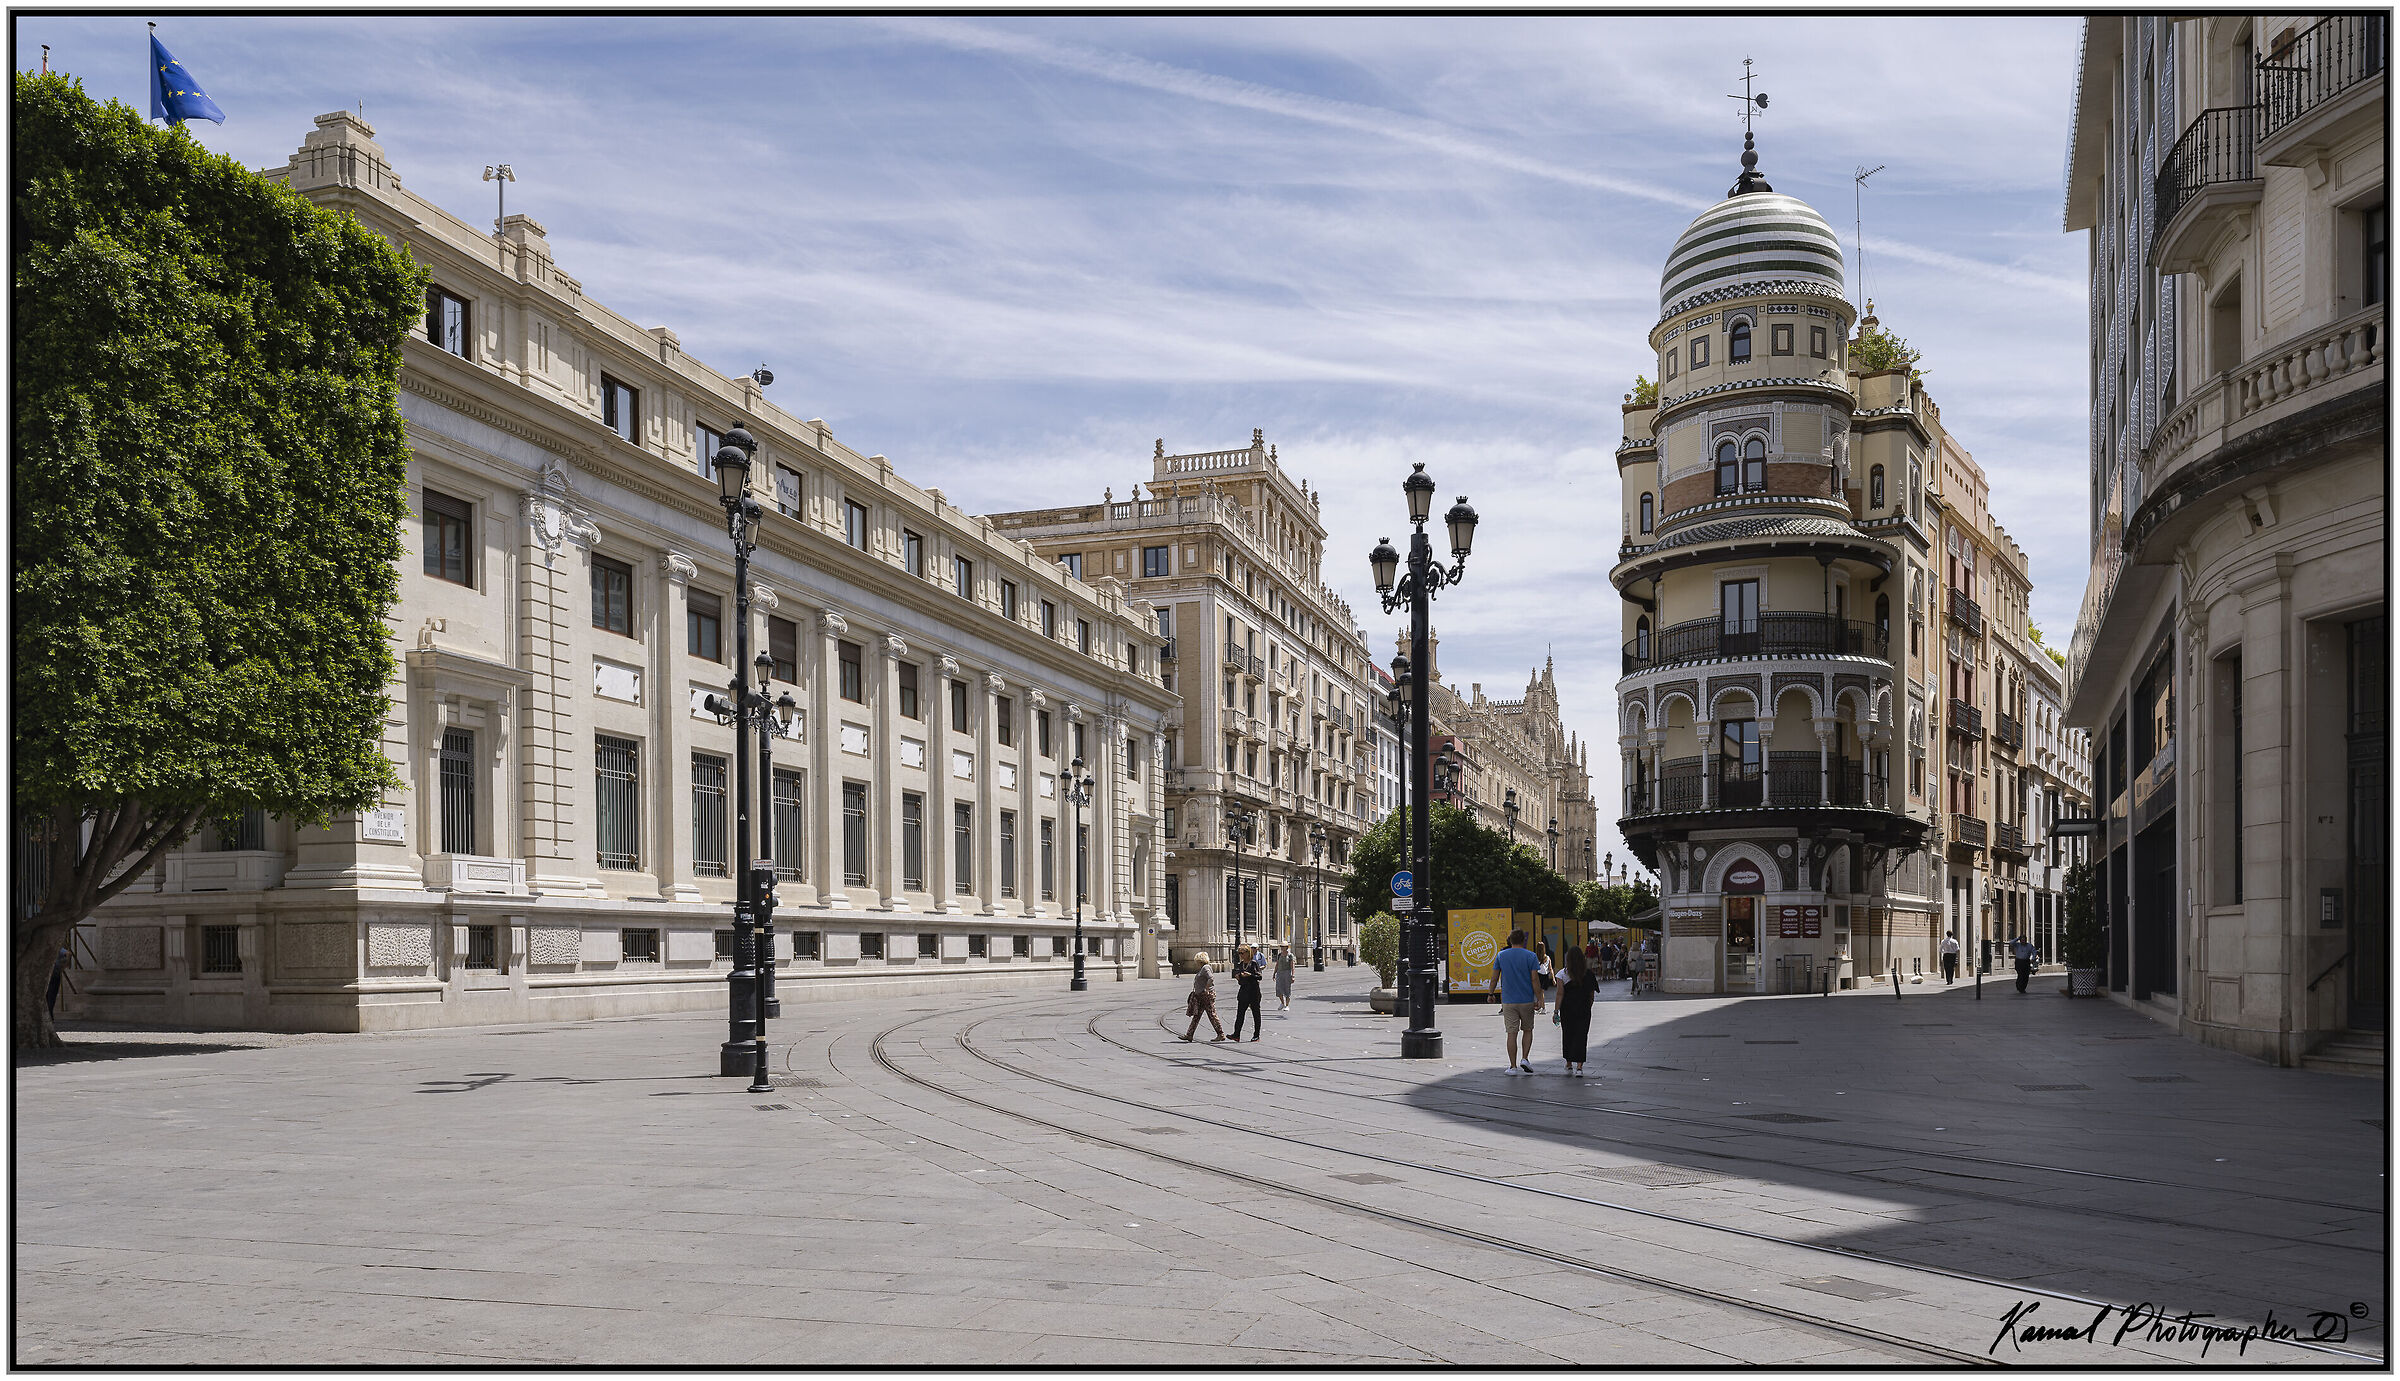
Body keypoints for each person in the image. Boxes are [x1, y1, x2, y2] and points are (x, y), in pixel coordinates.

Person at [1492, 930, 1543, 1075]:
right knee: (1528, 1030)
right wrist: (1539, 998)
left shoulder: (1501, 955)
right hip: (1526, 1000)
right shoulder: (1531, 956)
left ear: (1510, 940)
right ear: (1523, 940)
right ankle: (1525, 1058)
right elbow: (1534, 979)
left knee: (1511, 1033)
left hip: (1508, 1001)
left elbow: (1494, 977)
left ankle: (1513, 1066)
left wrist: (1490, 993)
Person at [1557, 947, 1597, 1077]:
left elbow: (1560, 994)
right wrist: (1588, 1006)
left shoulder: (1562, 974)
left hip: (1567, 1009)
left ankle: (1569, 1063)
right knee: (1581, 1036)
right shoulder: (1589, 974)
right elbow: (1592, 995)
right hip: (1584, 1009)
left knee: (1568, 1034)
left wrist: (1556, 1011)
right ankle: (1579, 1067)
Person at [1181, 958, 1226, 1041]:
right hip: (1201, 996)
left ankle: (1221, 1034)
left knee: (1212, 1014)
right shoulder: (1203, 968)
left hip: (1206, 995)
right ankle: (1189, 1034)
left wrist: (1207, 988)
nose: (1196, 963)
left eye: (1196, 961)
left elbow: (1211, 978)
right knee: (1197, 1015)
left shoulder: (1206, 968)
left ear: (1200, 961)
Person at [1231, 944, 1265, 1042]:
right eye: (1239, 953)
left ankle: (1256, 1035)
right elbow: (1241, 982)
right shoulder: (1241, 965)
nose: (1240, 955)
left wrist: (1250, 975)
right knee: (1240, 1014)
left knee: (1256, 1013)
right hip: (1243, 992)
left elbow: (1259, 977)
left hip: (1254, 992)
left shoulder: (1253, 963)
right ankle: (1236, 1034)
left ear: (1247, 953)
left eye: (1242, 953)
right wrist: (1239, 978)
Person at [1273, 946, 1295, 1011]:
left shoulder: (1290, 955)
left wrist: (1293, 976)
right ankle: (1282, 1003)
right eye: (1281, 946)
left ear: (1286, 947)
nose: (1282, 947)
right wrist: (1274, 973)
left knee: (1287, 989)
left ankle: (1287, 1005)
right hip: (1279, 973)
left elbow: (1292, 966)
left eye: (1283, 946)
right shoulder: (1279, 955)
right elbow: (1277, 964)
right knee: (1278, 988)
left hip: (1287, 973)